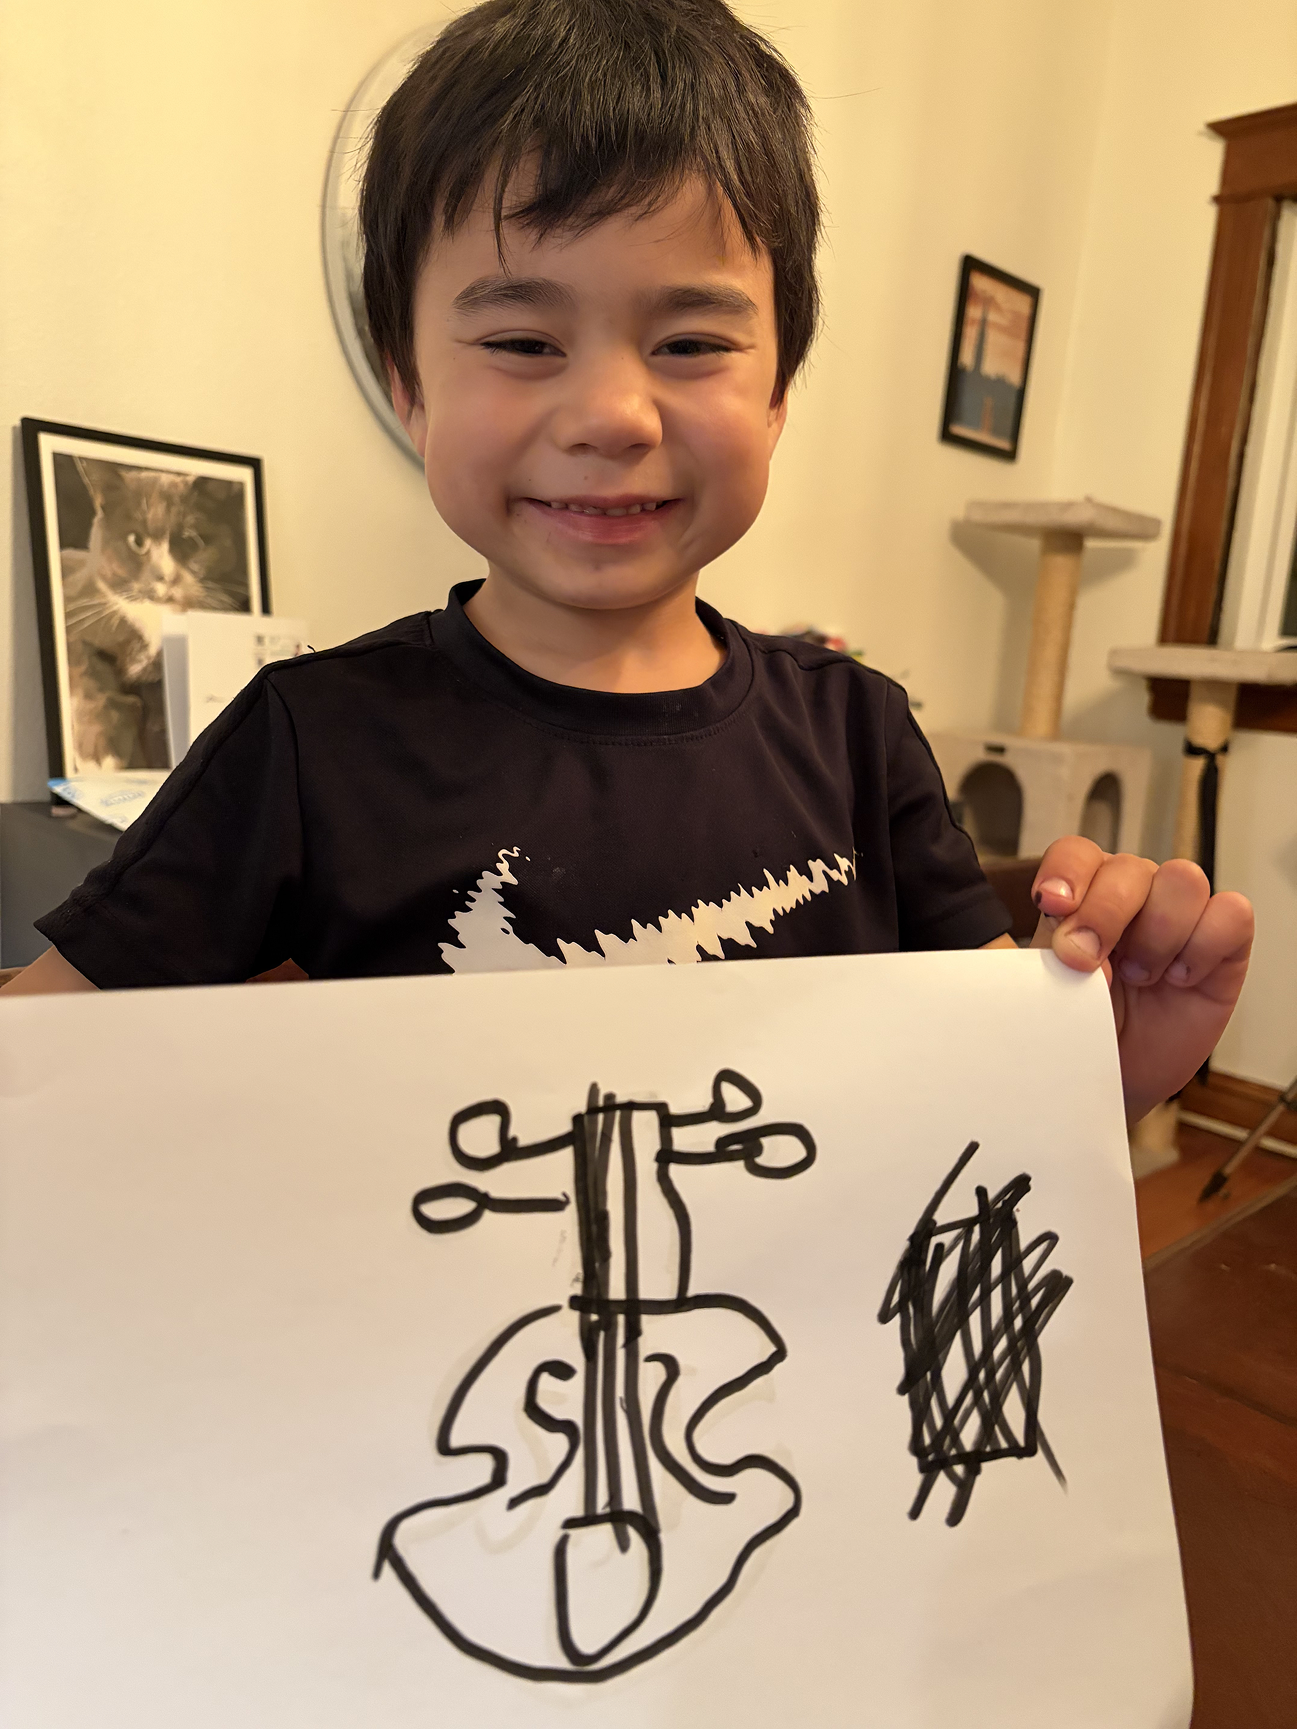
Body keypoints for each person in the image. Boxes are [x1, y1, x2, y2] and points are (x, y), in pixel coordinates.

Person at [3, 0, 1253, 1126]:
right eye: (522, 339)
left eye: (693, 340)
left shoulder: (857, 736)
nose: (612, 412)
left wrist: (1120, 1053)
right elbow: (42, 1050)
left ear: (777, 394)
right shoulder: (304, 739)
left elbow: (981, 1073)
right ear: (410, 388)